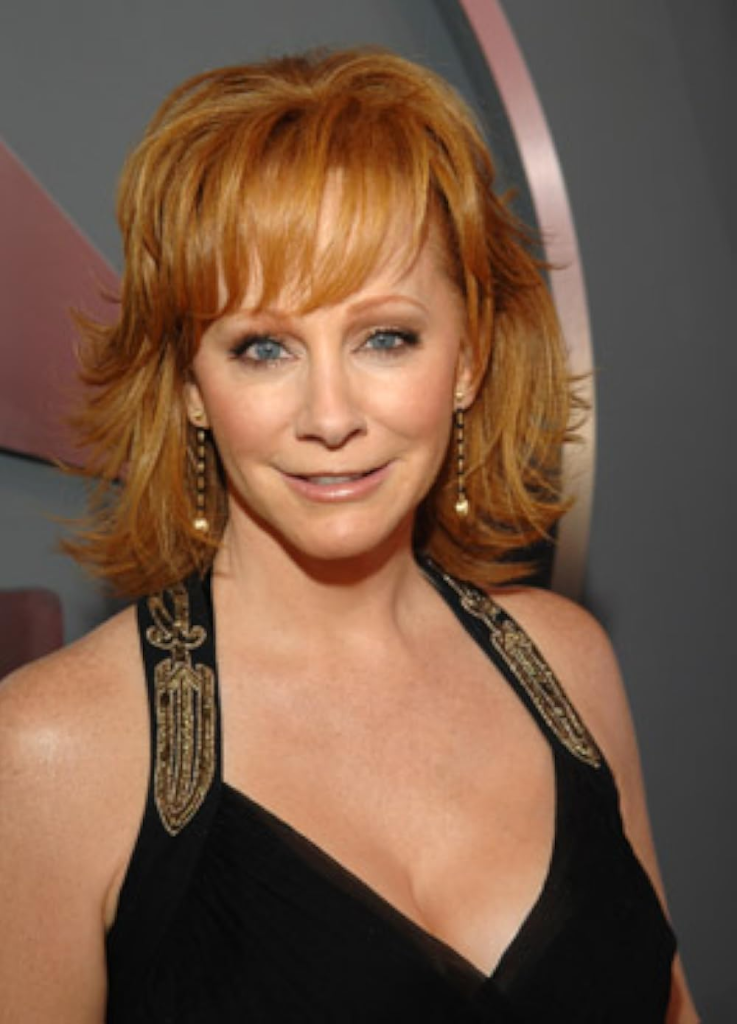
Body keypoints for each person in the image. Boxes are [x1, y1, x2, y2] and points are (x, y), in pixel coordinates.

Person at [0, 48, 698, 1023]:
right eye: (263, 347)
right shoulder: (55, 749)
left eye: (384, 337)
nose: (329, 416)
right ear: (192, 386)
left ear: (467, 357)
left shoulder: (566, 665)